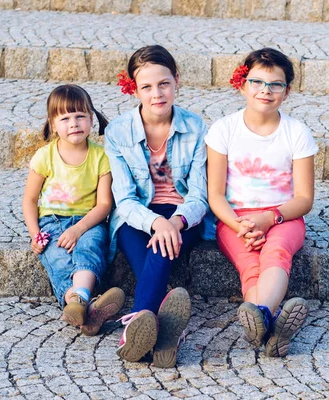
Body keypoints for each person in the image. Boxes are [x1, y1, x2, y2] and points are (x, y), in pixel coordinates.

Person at [206, 48, 318, 357]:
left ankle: (261, 317)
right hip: (235, 219)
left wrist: (270, 218)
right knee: (250, 267)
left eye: (275, 85)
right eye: (257, 82)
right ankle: (271, 329)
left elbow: (305, 199)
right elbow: (215, 194)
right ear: (242, 85)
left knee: (276, 253)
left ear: (287, 91)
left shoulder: (296, 133)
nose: (265, 91)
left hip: (284, 218)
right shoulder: (224, 130)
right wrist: (239, 224)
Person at [105, 45, 209, 368]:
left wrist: (175, 222)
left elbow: (199, 196)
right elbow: (124, 199)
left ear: (176, 80)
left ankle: (136, 330)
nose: (156, 94)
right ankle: (165, 336)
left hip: (182, 218)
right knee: (154, 244)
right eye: (146, 87)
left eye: (164, 83)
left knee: (163, 248)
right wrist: (155, 223)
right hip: (136, 217)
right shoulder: (118, 132)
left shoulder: (195, 128)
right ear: (134, 89)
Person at [22, 84, 125, 336]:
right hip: (50, 222)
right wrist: (35, 234)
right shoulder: (44, 157)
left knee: (89, 249)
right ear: (53, 124)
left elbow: (104, 204)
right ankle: (83, 305)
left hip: (89, 222)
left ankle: (77, 301)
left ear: (91, 119)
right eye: (65, 118)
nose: (74, 123)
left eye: (80, 116)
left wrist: (79, 229)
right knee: (57, 258)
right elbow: (29, 199)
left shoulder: (102, 157)